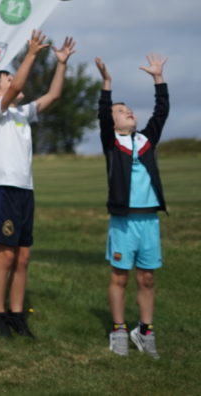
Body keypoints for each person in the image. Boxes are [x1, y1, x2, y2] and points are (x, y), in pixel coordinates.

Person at [0, 31, 75, 338]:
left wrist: (60, 63)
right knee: (5, 255)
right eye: (7, 81)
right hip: (3, 189)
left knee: (23, 256)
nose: (13, 83)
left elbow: (54, 95)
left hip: (25, 191)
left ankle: (17, 315)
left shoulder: (23, 113)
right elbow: (19, 85)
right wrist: (31, 53)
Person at [96, 53, 168, 360]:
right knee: (120, 277)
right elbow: (102, 114)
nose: (129, 113)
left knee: (147, 278)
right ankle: (119, 329)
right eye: (121, 111)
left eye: (129, 110)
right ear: (112, 122)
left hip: (149, 220)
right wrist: (107, 85)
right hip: (124, 222)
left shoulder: (147, 140)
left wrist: (158, 79)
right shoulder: (112, 144)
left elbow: (161, 112)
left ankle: (145, 331)